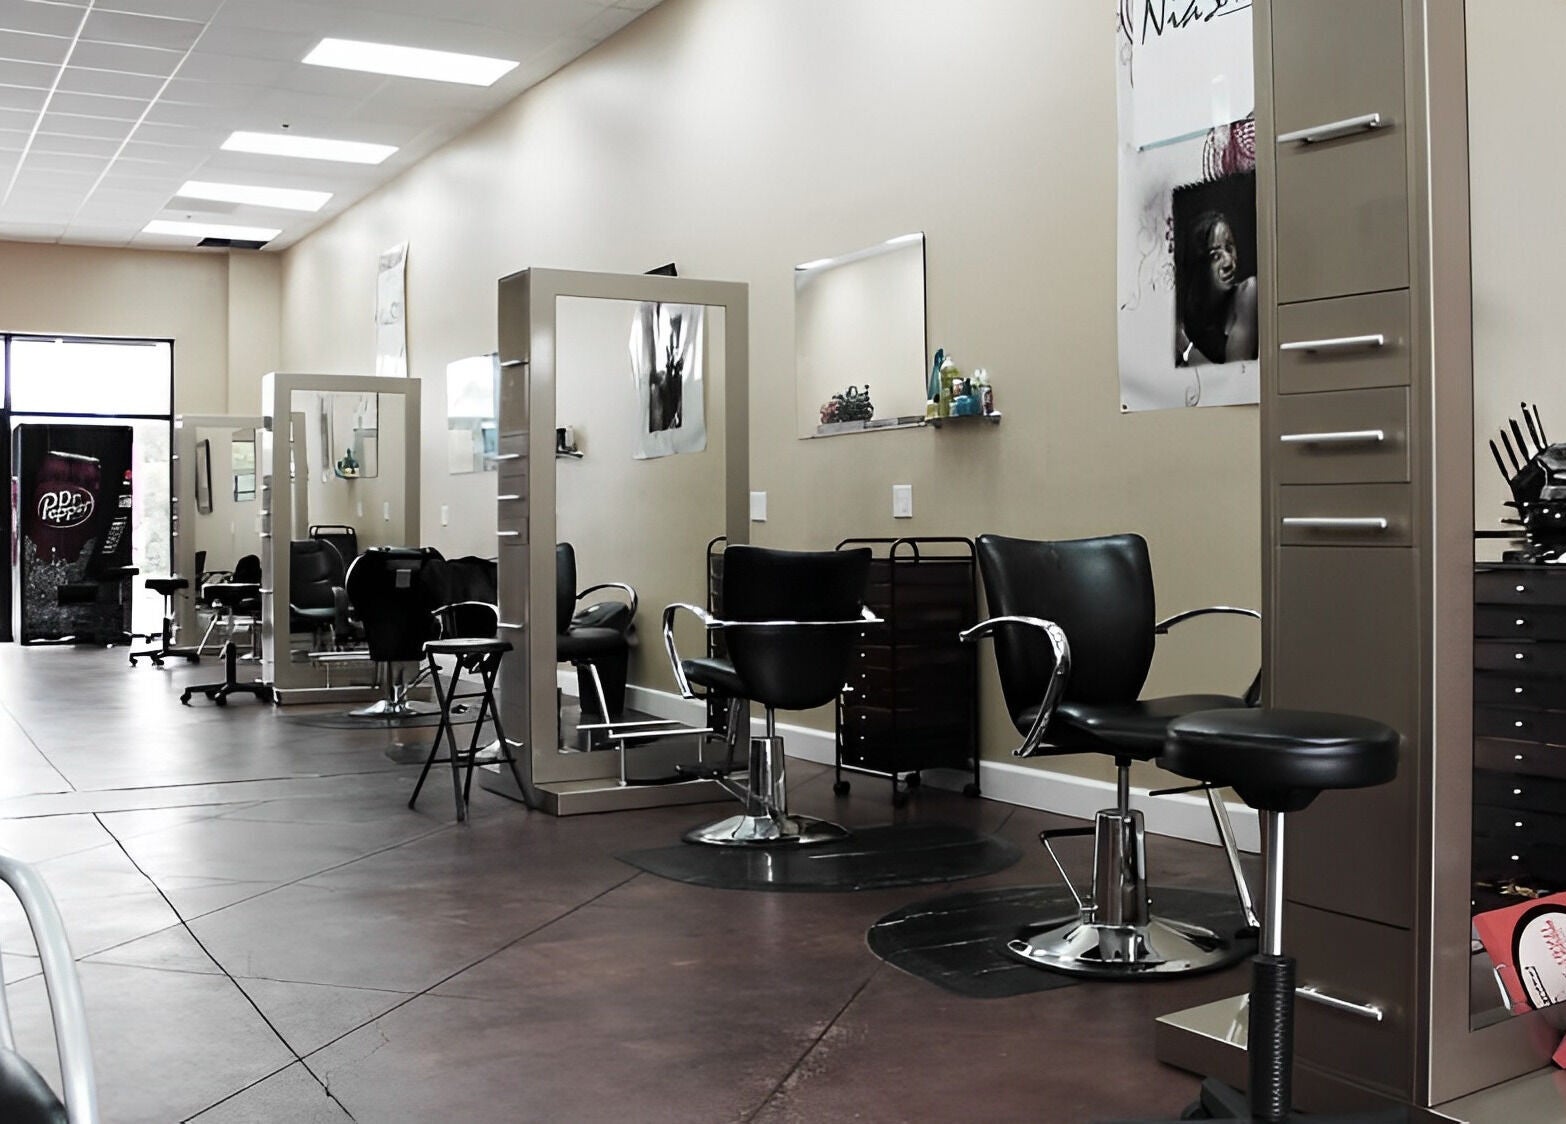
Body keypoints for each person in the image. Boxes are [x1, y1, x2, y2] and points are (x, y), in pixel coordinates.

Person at [1175, 210, 1258, 366]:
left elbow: (1234, 373)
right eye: (1215, 256)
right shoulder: (1187, 307)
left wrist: (1185, 347)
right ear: (1200, 267)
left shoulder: (1248, 292)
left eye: (1229, 248)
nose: (1228, 262)